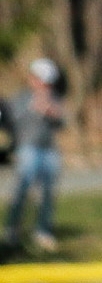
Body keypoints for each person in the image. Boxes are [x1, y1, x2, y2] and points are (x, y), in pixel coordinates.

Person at [8, 59, 61, 250]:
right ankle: (13, 229)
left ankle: (43, 231)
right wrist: (32, 108)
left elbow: (62, 122)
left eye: (48, 82)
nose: (45, 85)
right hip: (27, 149)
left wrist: (52, 112)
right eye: (42, 81)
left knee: (47, 193)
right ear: (33, 79)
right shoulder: (20, 98)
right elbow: (9, 120)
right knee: (22, 190)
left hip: (49, 151)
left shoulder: (54, 98)